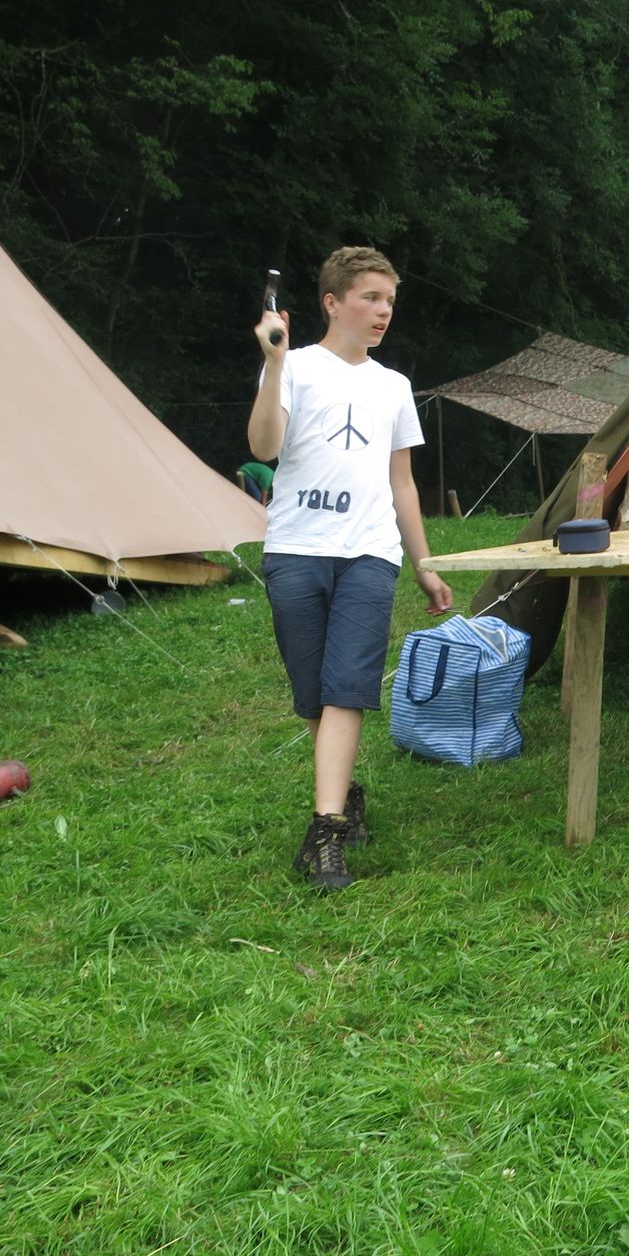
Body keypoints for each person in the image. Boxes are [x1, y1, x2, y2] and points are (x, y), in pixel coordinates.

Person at [248, 247, 454, 889]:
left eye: (390, 300)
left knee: (347, 687)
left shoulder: (393, 386)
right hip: (295, 549)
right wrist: (273, 364)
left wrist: (423, 564)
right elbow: (263, 448)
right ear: (332, 303)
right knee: (314, 693)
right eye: (371, 297)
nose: (383, 311)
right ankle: (343, 790)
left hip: (369, 553)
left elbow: (403, 483)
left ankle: (326, 831)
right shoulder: (293, 368)